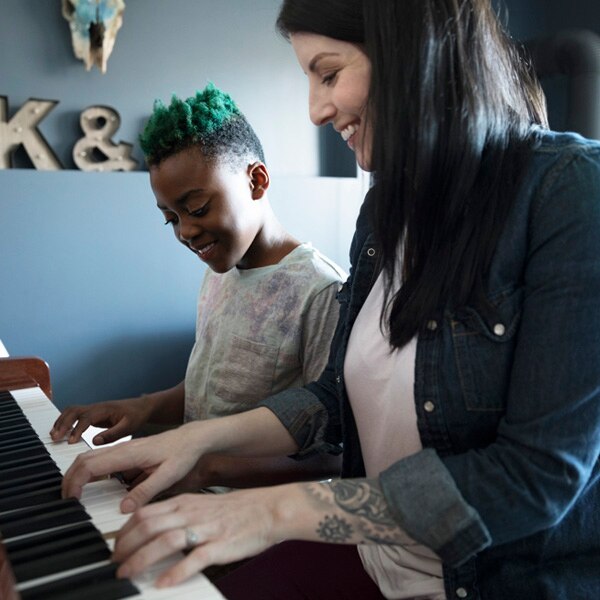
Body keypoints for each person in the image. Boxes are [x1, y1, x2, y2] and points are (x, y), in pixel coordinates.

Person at [62, 1, 600, 599]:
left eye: (328, 73)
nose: (317, 110)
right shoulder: (383, 214)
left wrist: (269, 511)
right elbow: (335, 400)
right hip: (384, 578)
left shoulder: (571, 191)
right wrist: (194, 438)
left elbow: (536, 479)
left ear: (412, 55)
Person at [52, 82, 345, 489]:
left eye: (197, 209)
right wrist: (141, 407)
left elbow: (335, 456)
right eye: (170, 218)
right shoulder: (219, 269)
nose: (186, 231)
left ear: (257, 181)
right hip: (193, 493)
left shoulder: (321, 291)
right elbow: (214, 388)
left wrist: (204, 470)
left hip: (252, 519)